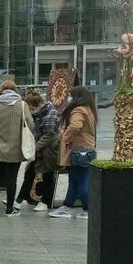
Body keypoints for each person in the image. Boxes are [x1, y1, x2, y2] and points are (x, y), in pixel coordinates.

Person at [0, 81, 35, 216]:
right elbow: (30, 124)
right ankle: (9, 209)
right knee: (12, 179)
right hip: (15, 148)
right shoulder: (22, 105)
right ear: (15, 90)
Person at [50, 85, 97, 220]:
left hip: (79, 151)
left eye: (71, 95)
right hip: (85, 150)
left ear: (76, 97)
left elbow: (76, 125)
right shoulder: (88, 109)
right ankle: (67, 206)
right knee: (75, 181)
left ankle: (88, 209)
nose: (69, 98)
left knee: (81, 181)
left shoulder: (78, 110)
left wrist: (65, 136)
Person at [17, 91, 60, 211]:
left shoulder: (51, 112)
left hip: (49, 150)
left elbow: (50, 134)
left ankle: (46, 202)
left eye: (31, 107)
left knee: (48, 176)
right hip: (39, 149)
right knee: (30, 173)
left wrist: (35, 147)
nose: (30, 110)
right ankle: (19, 200)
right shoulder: (38, 113)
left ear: (39, 104)